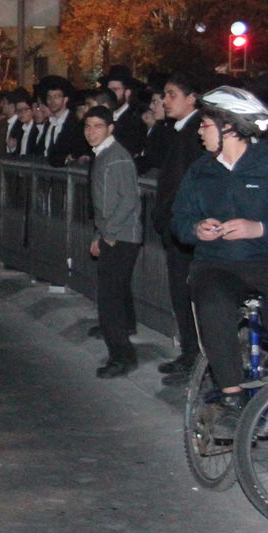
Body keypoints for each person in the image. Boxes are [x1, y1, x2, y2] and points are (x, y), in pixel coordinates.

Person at [170, 86, 268, 420]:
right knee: (211, 303)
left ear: (229, 127)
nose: (199, 132)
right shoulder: (200, 171)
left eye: (205, 125)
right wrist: (195, 228)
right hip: (217, 265)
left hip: (262, 261)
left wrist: (260, 229)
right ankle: (231, 398)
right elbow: (179, 220)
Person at [152, 72, 204, 383]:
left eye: (172, 94)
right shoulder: (179, 131)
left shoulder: (195, 132)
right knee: (179, 293)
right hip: (177, 228)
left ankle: (194, 359)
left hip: (186, 229)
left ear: (191, 98)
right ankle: (188, 353)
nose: (165, 101)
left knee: (188, 295)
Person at [85, 106, 142, 378]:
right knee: (112, 297)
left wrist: (108, 233)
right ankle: (120, 353)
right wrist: (101, 233)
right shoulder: (104, 156)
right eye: (88, 126)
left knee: (110, 300)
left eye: (97, 126)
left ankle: (122, 357)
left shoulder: (116, 158)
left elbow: (128, 199)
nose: (91, 131)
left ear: (110, 128)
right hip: (114, 234)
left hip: (121, 237)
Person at [38, 75, 89, 166]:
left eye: (56, 97)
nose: (52, 101)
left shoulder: (76, 124)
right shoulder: (48, 124)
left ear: (65, 99)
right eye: (49, 97)